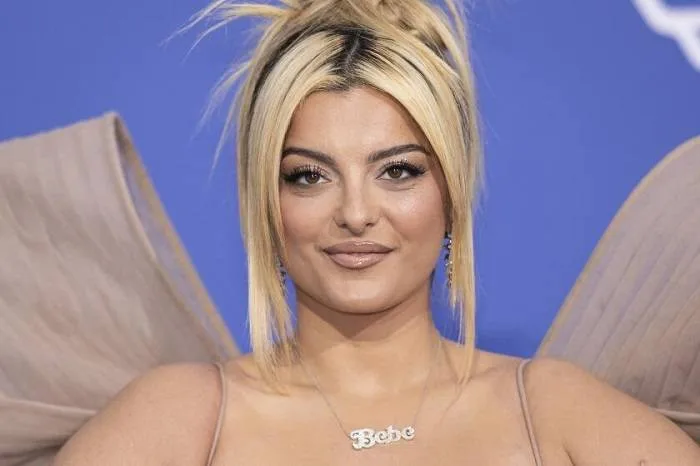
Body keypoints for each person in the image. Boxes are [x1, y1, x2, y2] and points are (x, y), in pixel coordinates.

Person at [54, 0, 700, 464]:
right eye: (309, 176)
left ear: (450, 194)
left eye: (397, 171)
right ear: (265, 204)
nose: (356, 213)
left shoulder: (556, 411)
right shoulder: (180, 420)